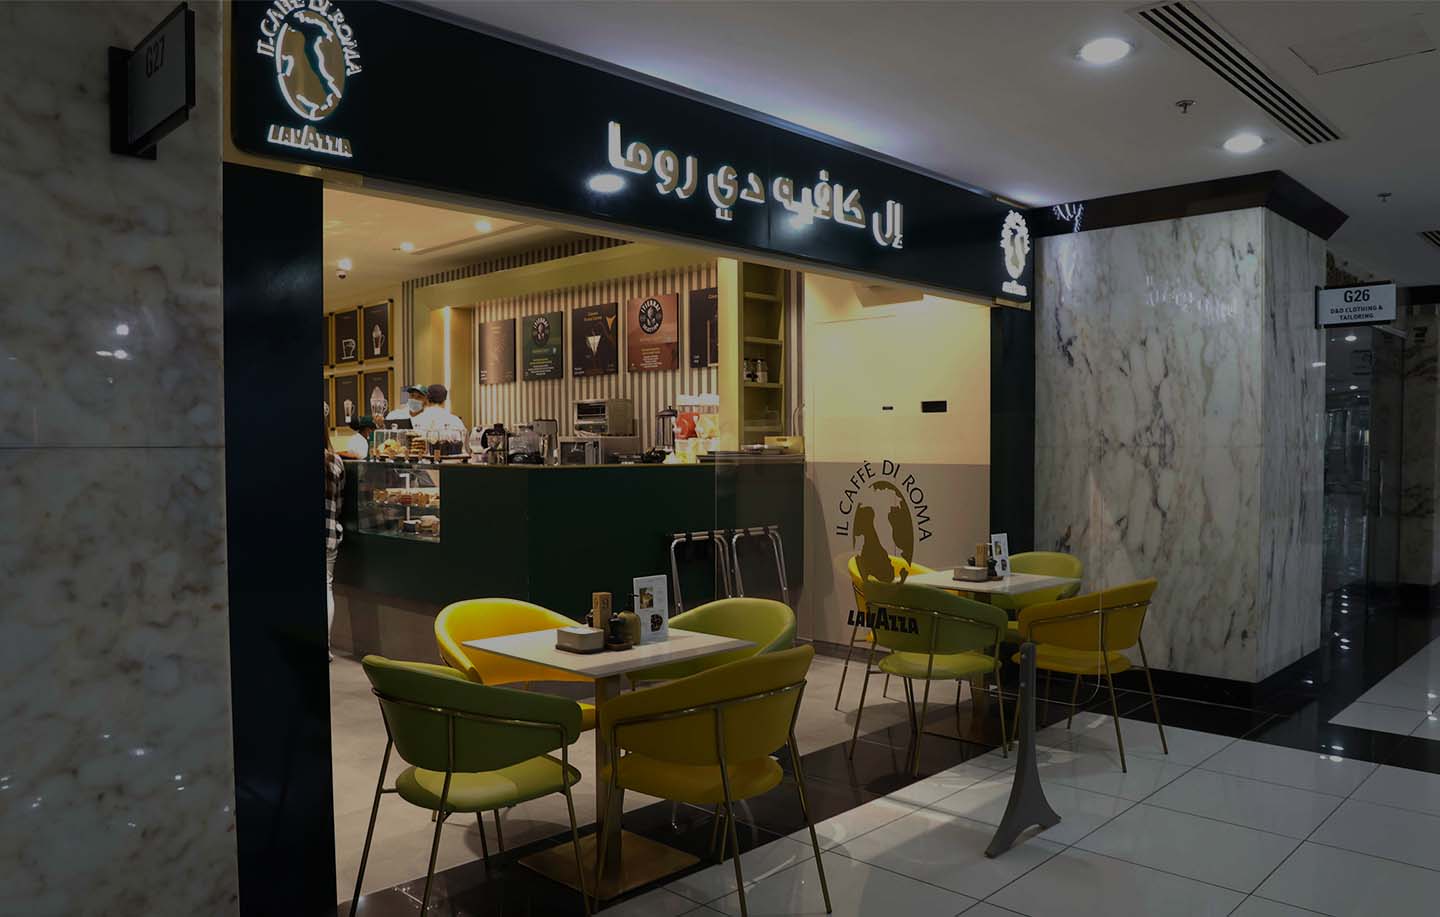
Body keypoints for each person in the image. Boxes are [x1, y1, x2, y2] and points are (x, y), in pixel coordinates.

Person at [325, 406, 345, 662]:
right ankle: (324, 647)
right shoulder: (335, 461)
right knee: (325, 589)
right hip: (328, 533)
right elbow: (339, 505)